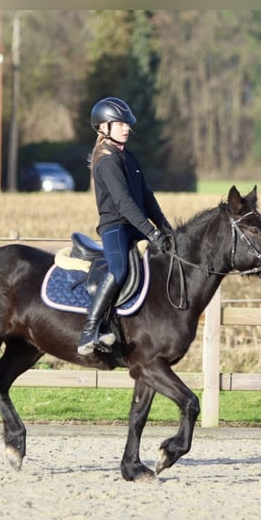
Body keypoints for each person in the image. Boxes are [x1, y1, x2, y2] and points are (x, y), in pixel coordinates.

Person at [77, 96, 173, 356]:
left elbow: (146, 195)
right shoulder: (107, 161)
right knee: (118, 270)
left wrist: (165, 228)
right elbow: (124, 203)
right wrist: (150, 232)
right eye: (119, 124)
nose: (126, 128)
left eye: (127, 124)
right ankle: (90, 328)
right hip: (116, 227)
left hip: (135, 224)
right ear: (103, 127)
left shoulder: (128, 157)